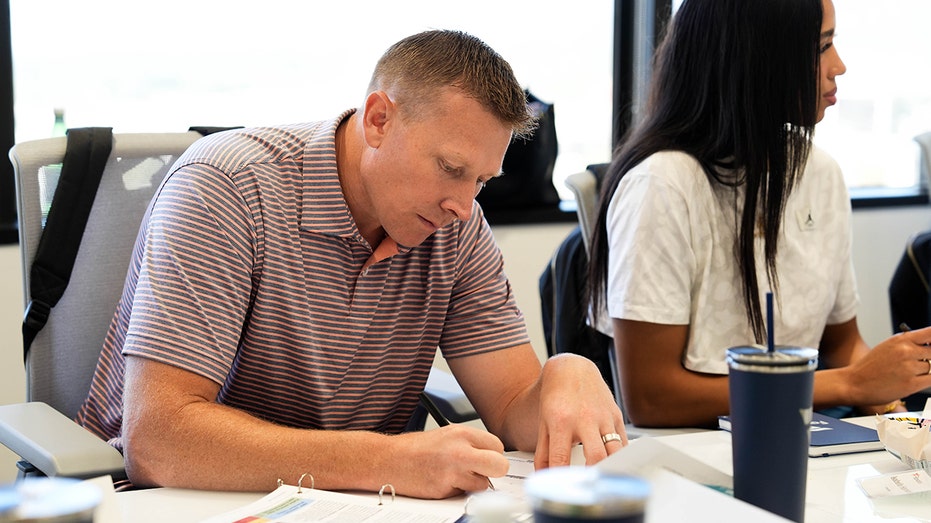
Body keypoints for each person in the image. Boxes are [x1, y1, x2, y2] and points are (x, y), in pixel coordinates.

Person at [75, 30, 626, 497]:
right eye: (451, 167)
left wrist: (565, 373)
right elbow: (160, 441)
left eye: (481, 181)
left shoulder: (457, 230)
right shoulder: (227, 188)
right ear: (379, 119)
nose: (464, 205)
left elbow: (510, 406)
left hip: (351, 503)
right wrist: (390, 461)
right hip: (183, 501)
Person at [588, 0, 931, 428]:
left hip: (801, 432)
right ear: (761, 57)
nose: (838, 66)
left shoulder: (820, 172)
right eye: (822, 46)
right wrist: (849, 385)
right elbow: (652, 398)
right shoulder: (663, 183)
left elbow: (844, 344)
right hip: (693, 448)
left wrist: (890, 402)